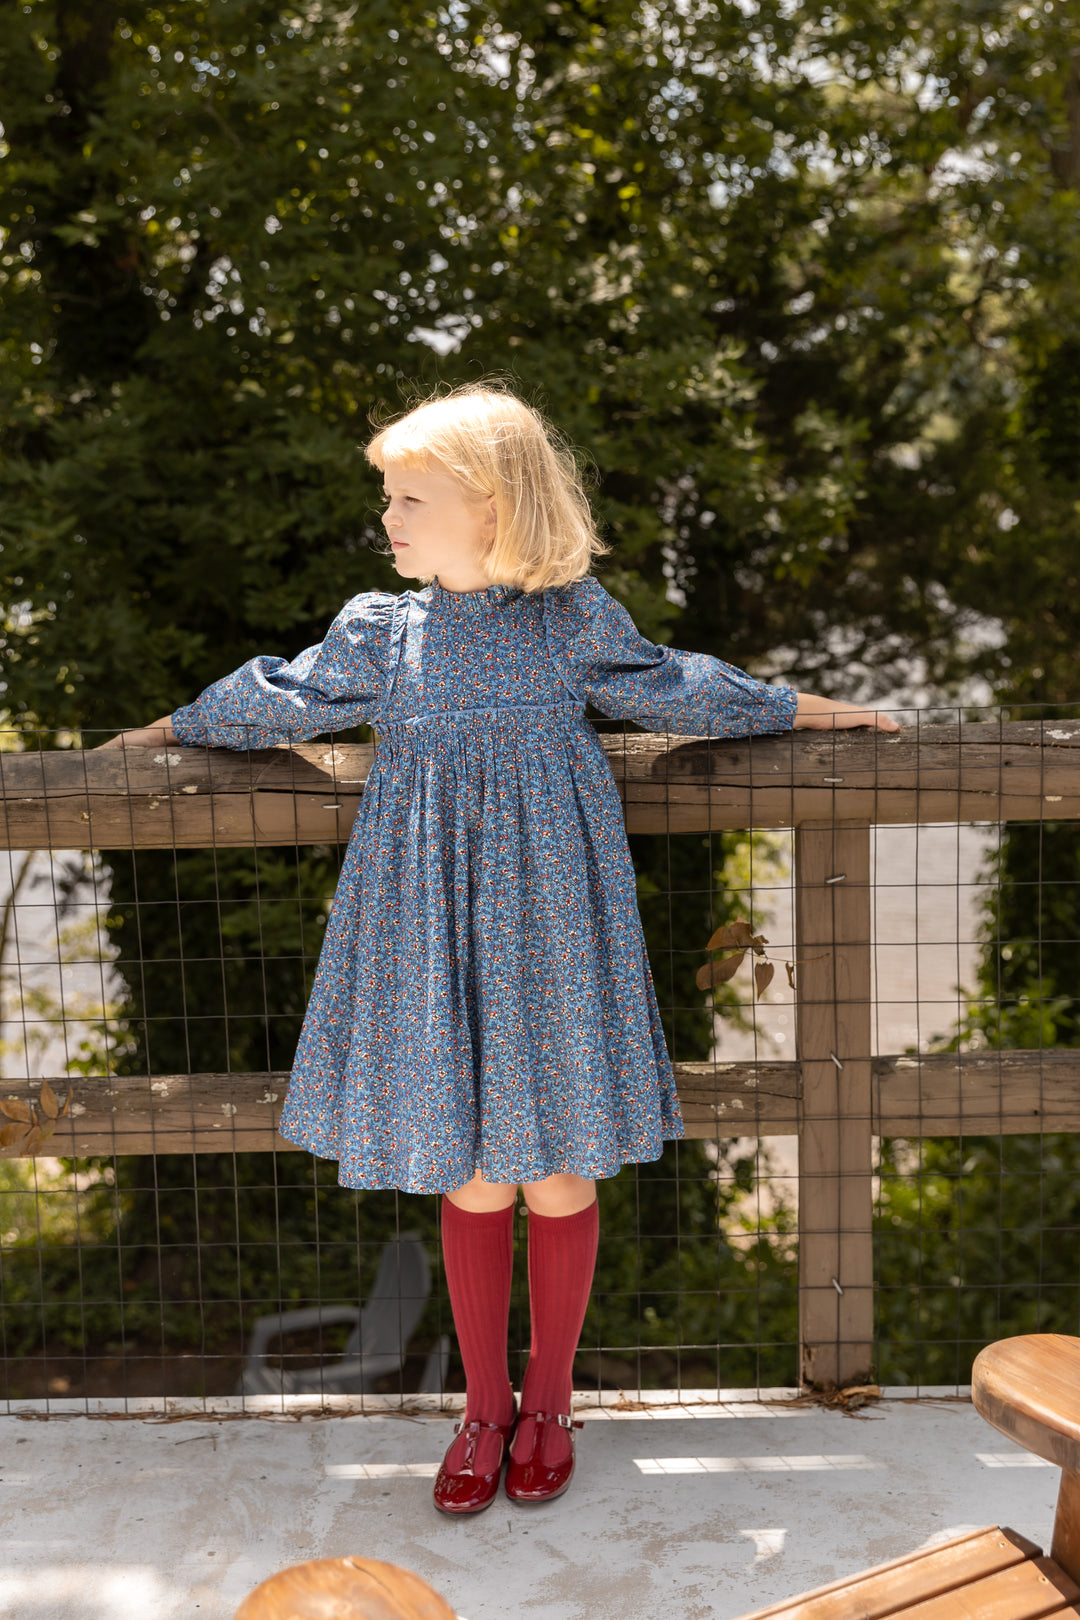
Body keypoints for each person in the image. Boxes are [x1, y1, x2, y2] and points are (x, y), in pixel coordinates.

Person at [100, 382, 898, 1516]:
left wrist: (820, 711)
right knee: (472, 1168)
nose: (389, 517)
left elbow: (682, 685)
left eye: (409, 496)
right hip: (427, 918)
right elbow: (281, 697)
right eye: (388, 496)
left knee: (556, 1169)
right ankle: (482, 1409)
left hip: (551, 921)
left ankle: (551, 1398)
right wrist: (164, 731)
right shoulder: (387, 631)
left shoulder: (569, 619)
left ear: (491, 504)